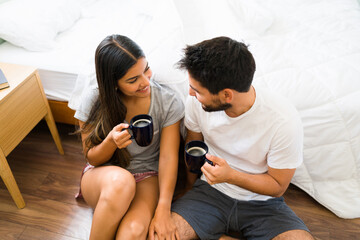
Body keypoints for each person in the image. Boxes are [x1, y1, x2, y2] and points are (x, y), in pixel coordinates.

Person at [171, 36, 314, 240]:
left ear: (226, 95)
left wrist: (231, 176)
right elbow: (193, 145)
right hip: (209, 192)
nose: (190, 94)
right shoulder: (195, 102)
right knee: (162, 235)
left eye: (197, 90)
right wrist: (189, 187)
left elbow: (278, 187)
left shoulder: (283, 120)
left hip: (262, 203)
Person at [74, 34, 184, 240]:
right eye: (133, 80)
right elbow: (92, 158)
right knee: (121, 182)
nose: (145, 82)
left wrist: (163, 208)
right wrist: (110, 143)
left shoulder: (168, 102)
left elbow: (168, 158)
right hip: (102, 176)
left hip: (147, 176)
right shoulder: (93, 99)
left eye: (146, 70)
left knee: (132, 232)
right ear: (113, 84)